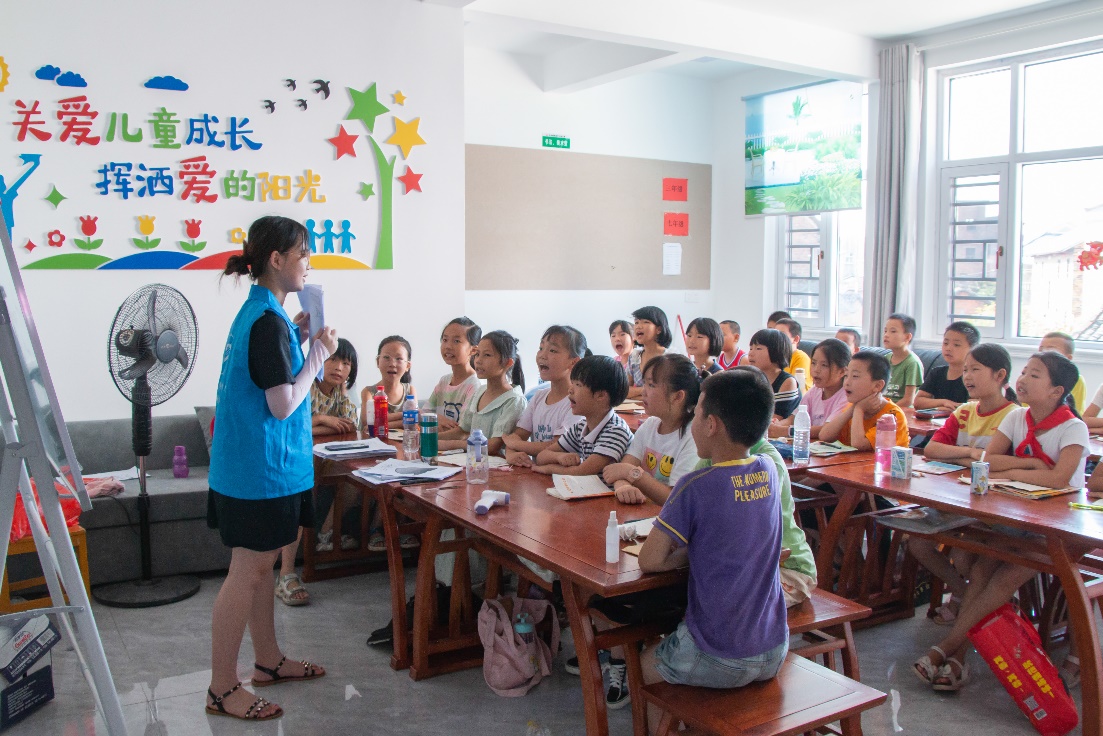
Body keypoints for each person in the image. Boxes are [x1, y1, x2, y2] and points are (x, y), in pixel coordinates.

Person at [205, 215, 331, 721]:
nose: (307, 265)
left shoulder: (264, 315)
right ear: (276, 260)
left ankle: (268, 661)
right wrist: (317, 357)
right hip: (258, 473)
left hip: (257, 469)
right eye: (302, 255)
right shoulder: (266, 322)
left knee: (259, 570)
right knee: (248, 573)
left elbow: (271, 381)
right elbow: (282, 405)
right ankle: (221, 688)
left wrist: (297, 341)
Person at [914, 351, 1087, 692]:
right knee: (981, 569)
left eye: (1035, 375)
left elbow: (1059, 480)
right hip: (1016, 519)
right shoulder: (1017, 417)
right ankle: (956, 659)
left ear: (1056, 391)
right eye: (1024, 372)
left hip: (1058, 529)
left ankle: (948, 650)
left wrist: (1017, 471)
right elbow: (989, 461)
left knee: (1001, 576)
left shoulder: (1073, 427)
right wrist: (1034, 466)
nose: (1023, 380)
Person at [637, 369, 788, 725]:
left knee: (644, 663)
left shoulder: (695, 485)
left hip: (719, 655)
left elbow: (650, 559)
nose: (692, 422)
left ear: (711, 425)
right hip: (774, 648)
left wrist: (689, 552)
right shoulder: (768, 469)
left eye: (697, 412)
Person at [913, 343, 1018, 625]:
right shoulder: (965, 411)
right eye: (966, 370)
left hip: (992, 504)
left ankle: (978, 605)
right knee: (917, 544)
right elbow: (932, 449)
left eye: (975, 370)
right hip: (957, 497)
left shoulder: (1014, 416)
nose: (967, 376)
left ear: (1000, 375)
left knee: (962, 555)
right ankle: (964, 592)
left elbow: (996, 464)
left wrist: (966, 458)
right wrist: (972, 454)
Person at [275, 338, 359, 606]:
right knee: (301, 493)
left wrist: (341, 399)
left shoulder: (338, 393)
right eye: (333, 359)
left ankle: (325, 534)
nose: (339, 367)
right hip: (293, 458)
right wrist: (324, 420)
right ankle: (286, 573)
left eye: (346, 363)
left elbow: (351, 425)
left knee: (359, 477)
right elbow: (292, 424)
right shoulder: (307, 385)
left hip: (323, 460)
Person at [603, 354, 701, 505]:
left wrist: (633, 474)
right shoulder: (650, 425)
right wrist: (623, 486)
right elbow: (623, 467)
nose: (643, 392)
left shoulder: (694, 436)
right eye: (644, 384)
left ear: (677, 396)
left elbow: (675, 498)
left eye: (651, 385)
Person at [533, 355, 632, 476]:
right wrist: (559, 457)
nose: (570, 390)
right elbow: (541, 457)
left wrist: (549, 469)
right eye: (572, 383)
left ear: (601, 395)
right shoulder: (580, 427)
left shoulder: (616, 431)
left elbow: (583, 472)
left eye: (578, 385)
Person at [503, 325, 587, 467]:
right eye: (541, 348)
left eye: (552, 350)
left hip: (565, 475)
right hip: (538, 474)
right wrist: (510, 453)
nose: (542, 355)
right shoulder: (539, 397)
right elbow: (518, 435)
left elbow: (557, 446)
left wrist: (515, 444)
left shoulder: (577, 402)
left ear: (574, 362)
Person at [437, 330, 527, 455]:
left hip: (499, 464)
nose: (478, 360)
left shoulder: (514, 400)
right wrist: (431, 438)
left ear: (508, 363)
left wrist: (448, 445)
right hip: (474, 460)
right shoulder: (480, 391)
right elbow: (462, 430)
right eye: (478, 354)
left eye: (487, 355)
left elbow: (492, 446)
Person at [819, 351, 909, 449]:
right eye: (846, 375)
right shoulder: (852, 407)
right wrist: (852, 409)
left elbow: (858, 444)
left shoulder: (892, 416)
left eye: (855, 376)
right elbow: (824, 436)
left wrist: (859, 409)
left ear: (877, 386)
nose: (847, 382)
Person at [769, 338, 850, 440]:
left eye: (824, 365)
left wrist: (786, 431)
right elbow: (794, 418)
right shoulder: (815, 391)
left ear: (842, 371)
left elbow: (825, 430)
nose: (816, 370)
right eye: (813, 363)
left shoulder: (847, 396)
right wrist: (776, 425)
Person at [425, 317, 483, 432]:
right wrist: (437, 418)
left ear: (473, 350)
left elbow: (462, 430)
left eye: (456, 341)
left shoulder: (474, 385)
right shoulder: (444, 381)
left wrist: (433, 422)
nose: (448, 346)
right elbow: (423, 413)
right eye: (445, 340)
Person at [914, 321, 980, 410]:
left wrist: (946, 408)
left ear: (972, 349)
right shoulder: (937, 373)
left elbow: (974, 406)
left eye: (956, 345)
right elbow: (918, 402)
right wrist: (944, 402)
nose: (948, 348)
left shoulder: (974, 377)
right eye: (945, 343)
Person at [359, 336, 415, 432]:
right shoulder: (368, 392)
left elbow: (414, 421)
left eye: (399, 358)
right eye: (386, 357)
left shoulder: (410, 391)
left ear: (407, 366)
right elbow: (367, 421)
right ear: (378, 362)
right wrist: (404, 417)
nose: (392, 364)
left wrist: (380, 424)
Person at [746, 328, 801, 420]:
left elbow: (776, 417)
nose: (751, 353)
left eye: (758, 348)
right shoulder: (752, 378)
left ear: (777, 351)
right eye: (751, 348)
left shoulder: (787, 382)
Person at [626, 306, 672, 399]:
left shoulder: (670, 358)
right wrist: (646, 390)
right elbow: (625, 391)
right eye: (636, 322)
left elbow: (667, 393)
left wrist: (636, 394)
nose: (638, 326)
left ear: (659, 329)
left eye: (645, 322)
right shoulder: (634, 357)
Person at [1038, 332, 1087, 413]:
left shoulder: (1077, 380)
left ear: (1068, 358)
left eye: (1051, 351)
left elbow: (1075, 413)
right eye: (1041, 350)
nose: (1043, 354)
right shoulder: (1032, 376)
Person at [882, 312, 923, 408]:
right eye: (885, 331)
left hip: (901, 410)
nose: (886, 335)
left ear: (907, 337)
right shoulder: (886, 358)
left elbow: (909, 400)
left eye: (893, 331)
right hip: (884, 406)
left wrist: (887, 409)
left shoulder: (912, 363)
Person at [774, 318, 812, 391]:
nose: (776, 339)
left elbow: (796, 388)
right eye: (775, 335)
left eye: (782, 335)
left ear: (795, 339)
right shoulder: (773, 356)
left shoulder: (801, 358)